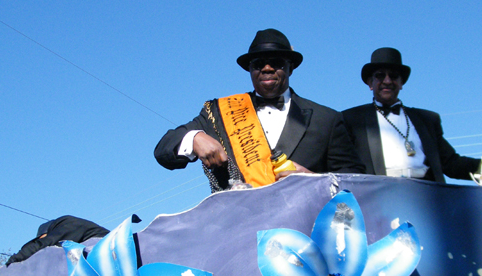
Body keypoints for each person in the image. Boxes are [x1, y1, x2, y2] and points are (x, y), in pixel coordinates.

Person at [154, 28, 365, 192]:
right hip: (238, 227)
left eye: (276, 62)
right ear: (249, 69)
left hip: (305, 228)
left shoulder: (326, 119)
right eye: (258, 64)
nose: (267, 68)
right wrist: (194, 138)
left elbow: (357, 184)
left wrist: (314, 180)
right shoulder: (220, 113)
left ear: (291, 67)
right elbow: (163, 150)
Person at [342, 47, 482, 183]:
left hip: (425, 198)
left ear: (401, 83)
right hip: (378, 200)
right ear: (370, 83)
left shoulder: (427, 120)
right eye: (380, 76)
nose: (387, 81)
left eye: (393, 76)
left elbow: (450, 163)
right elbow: (342, 166)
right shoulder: (350, 119)